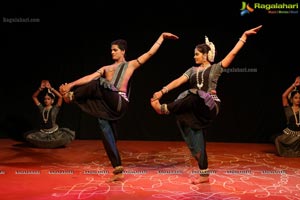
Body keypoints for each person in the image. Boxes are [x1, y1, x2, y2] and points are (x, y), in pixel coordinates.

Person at [59, 32, 179, 181]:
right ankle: (118, 169)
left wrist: (161, 37)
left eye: (115, 50)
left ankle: (72, 97)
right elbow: (89, 77)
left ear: (123, 51)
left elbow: (149, 53)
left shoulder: (131, 64)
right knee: (104, 128)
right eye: (111, 50)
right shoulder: (106, 68)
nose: (112, 52)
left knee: (98, 83)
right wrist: (71, 84)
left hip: (119, 101)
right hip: (108, 104)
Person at [150, 25, 263, 184]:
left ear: (205, 55)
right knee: (197, 138)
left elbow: (233, 53)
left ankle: (164, 109)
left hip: (210, 106)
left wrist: (244, 36)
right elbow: (177, 81)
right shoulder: (191, 70)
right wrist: (162, 91)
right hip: (195, 109)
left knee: (194, 93)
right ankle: (204, 174)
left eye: (197, 54)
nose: (194, 57)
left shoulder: (216, 68)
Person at [24, 80, 75, 148]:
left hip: (54, 133)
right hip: (43, 132)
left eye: (48, 99)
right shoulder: (42, 108)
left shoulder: (55, 108)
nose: (46, 100)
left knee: (59, 139)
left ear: (52, 100)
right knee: (29, 136)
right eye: (45, 99)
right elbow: (34, 97)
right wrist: (40, 89)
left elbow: (60, 97)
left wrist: (51, 88)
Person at [275, 76, 300, 157]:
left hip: (299, 136)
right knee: (278, 139)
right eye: (296, 98)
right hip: (289, 136)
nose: (298, 99)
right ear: (291, 99)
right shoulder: (288, 108)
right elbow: (283, 96)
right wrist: (294, 85)